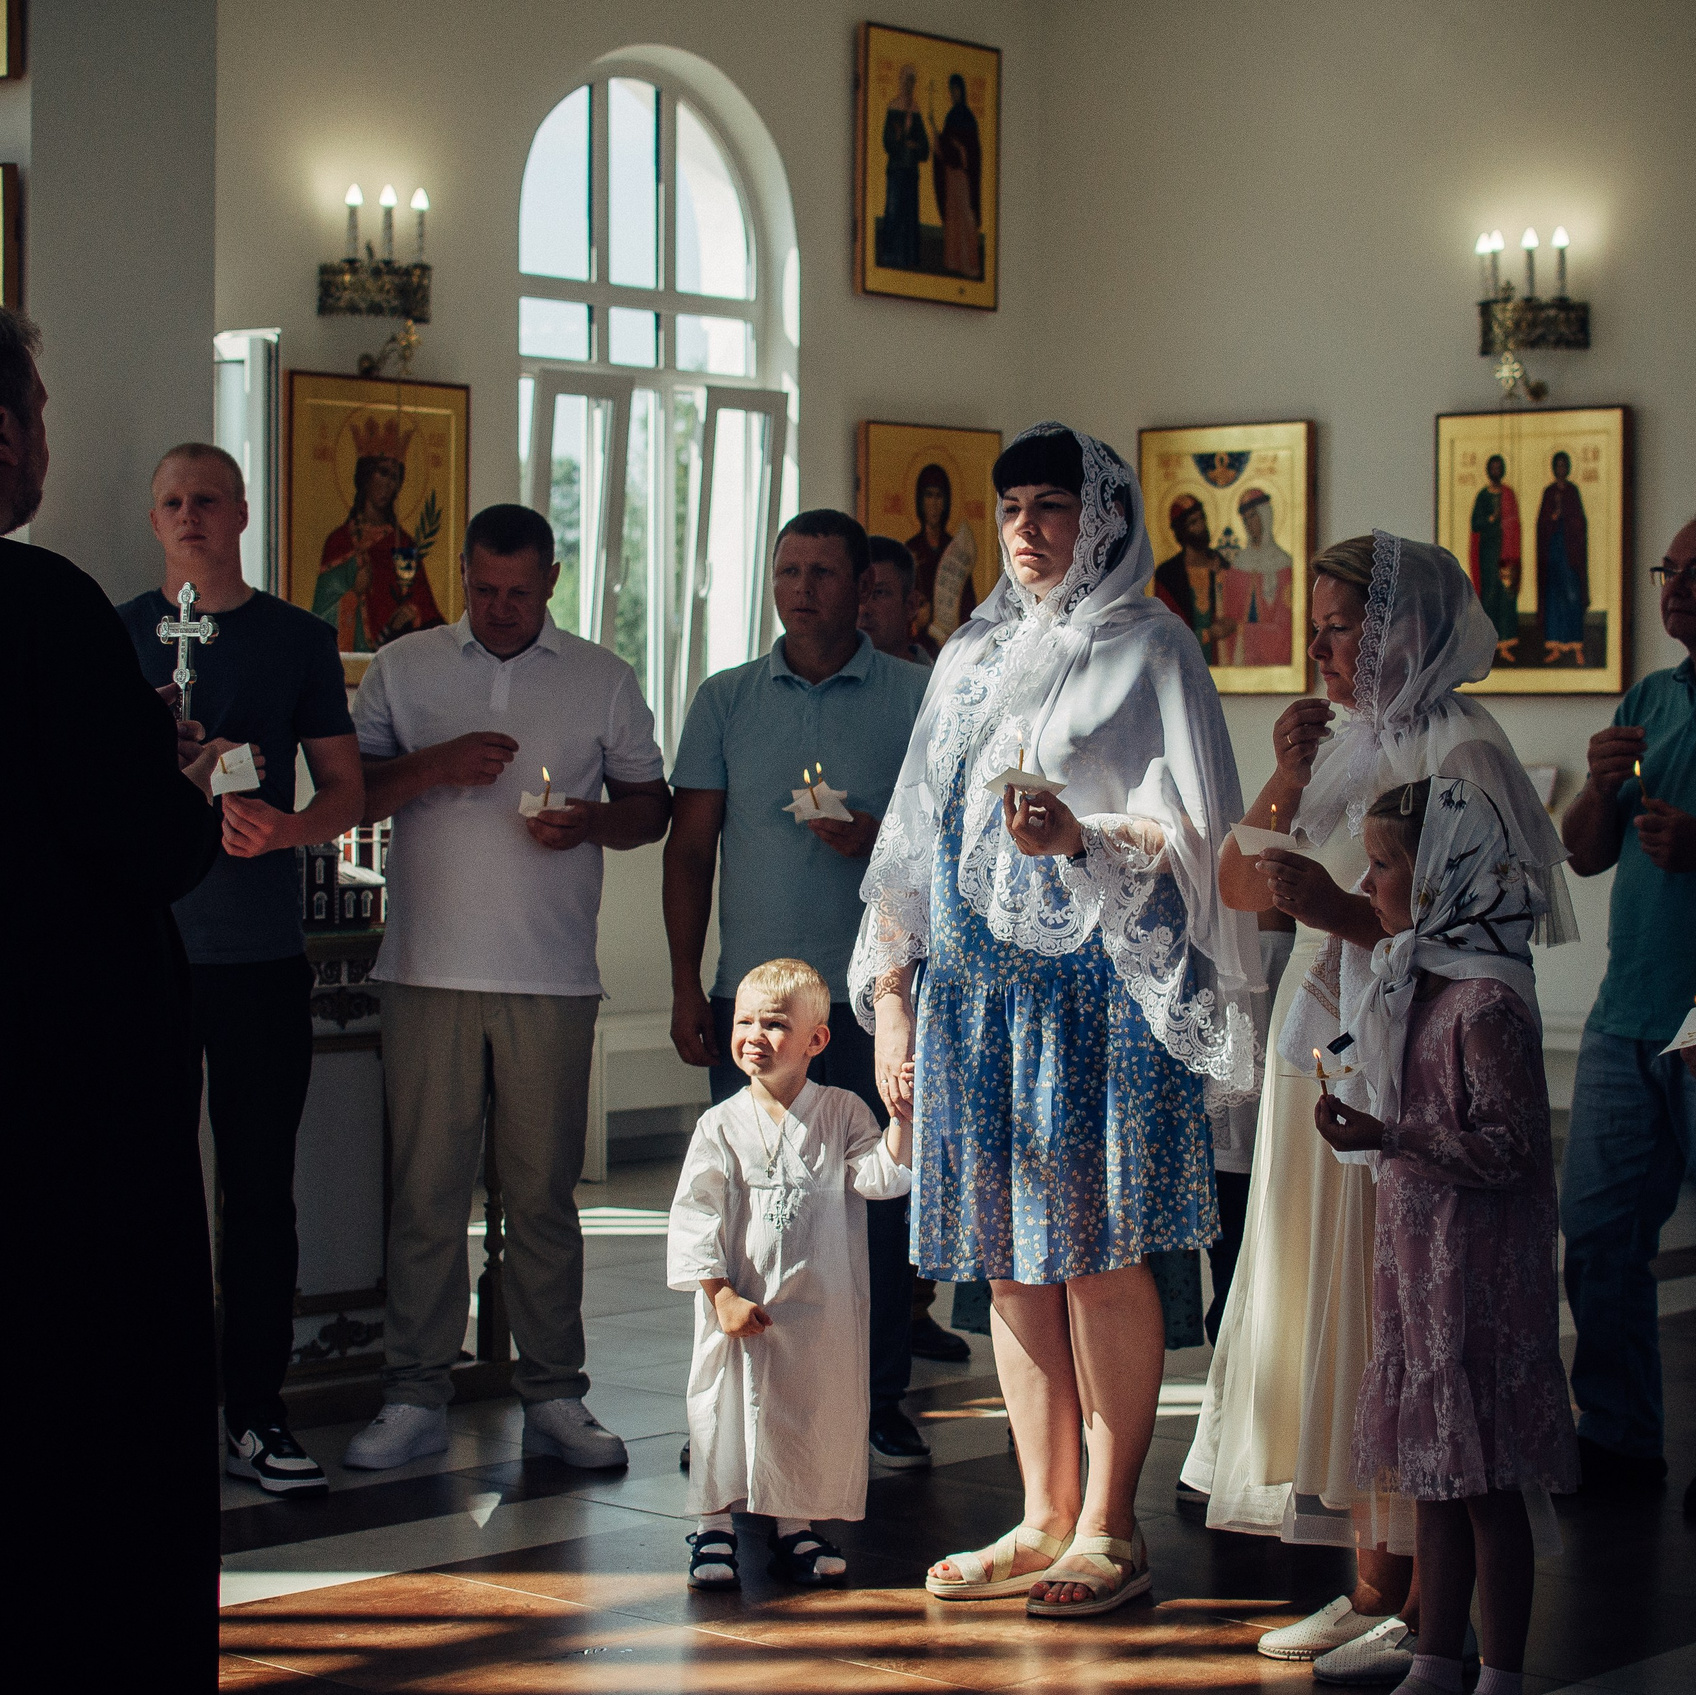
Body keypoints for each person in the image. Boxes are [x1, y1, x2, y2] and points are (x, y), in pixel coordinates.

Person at [858, 422, 1261, 1616]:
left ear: (1104, 519)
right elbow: (911, 843)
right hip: (976, 998)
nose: (1028, 530)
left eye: (1052, 507)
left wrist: (1077, 837)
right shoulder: (970, 654)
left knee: (1092, 1256)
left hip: (1095, 997)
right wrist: (891, 996)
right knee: (1008, 1267)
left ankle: (1109, 1524)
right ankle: (1038, 1516)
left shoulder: (1151, 648)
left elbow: (1199, 840)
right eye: (1013, 507)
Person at [1184, 531, 1575, 1686]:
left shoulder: (1462, 745)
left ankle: (1412, 1595)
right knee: (1350, 1320)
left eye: (1343, 624)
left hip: (1413, 1061)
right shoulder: (1351, 739)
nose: (1321, 645)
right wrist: (1289, 776)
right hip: (1337, 1047)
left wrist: (1349, 921)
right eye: (1317, 623)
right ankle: (1371, 1582)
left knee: (1407, 1320)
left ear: (1403, 630)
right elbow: (1240, 885)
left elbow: (1476, 931)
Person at [342, 503, 671, 1469]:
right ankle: (414, 1394)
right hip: (425, 972)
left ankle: (556, 1394)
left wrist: (589, 823)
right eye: (483, 591)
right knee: (426, 1192)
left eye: (518, 594)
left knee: (540, 1197)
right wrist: (436, 765)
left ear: (552, 581)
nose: (497, 609)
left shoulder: (602, 679)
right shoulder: (405, 667)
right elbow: (347, 794)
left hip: (551, 978)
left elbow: (649, 809)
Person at [7, 307, 225, 1676]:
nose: (44, 438)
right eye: (31, 409)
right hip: (57, 1091)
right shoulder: (42, 605)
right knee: (80, 1414)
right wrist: (174, 777)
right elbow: (147, 843)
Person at [119, 443, 366, 1495]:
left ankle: (257, 1413)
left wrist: (288, 828)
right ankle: (148, 1406)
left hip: (260, 952)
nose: (190, 517)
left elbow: (347, 789)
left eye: (208, 500)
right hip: (143, 950)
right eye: (172, 502)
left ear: (243, 513)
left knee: (260, 1189)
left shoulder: (296, 638)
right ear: (154, 517)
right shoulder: (118, 632)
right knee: (140, 1188)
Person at [666, 508, 933, 1468]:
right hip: (756, 1002)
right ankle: (738, 1404)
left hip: (875, 1001)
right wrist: (685, 984)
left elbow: (956, 843)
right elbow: (689, 848)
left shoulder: (915, 693)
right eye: (788, 571)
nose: (802, 589)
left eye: (823, 572)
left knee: (877, 1201)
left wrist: (878, 842)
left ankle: (876, 1400)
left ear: (861, 586)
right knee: (750, 1202)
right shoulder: (728, 699)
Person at [1316, 777, 1577, 1695]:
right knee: (1435, 1474)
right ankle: (1435, 1653)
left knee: (1488, 1485)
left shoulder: (1485, 1003)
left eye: (1385, 864)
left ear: (1440, 880)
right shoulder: (1420, 982)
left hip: (1480, 1279)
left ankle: (1500, 1668)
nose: (1368, 878)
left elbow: (1510, 1149)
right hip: (1424, 1267)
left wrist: (1390, 1135)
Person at [668, 959, 913, 1591]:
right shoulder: (719, 1125)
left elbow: (879, 1181)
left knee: (805, 1408)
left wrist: (904, 1123)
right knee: (720, 1412)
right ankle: (713, 1526)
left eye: (774, 1024)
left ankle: (795, 1524)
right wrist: (719, 1295)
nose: (753, 1035)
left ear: (817, 1040)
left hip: (818, 1306)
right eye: (743, 1021)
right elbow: (694, 1215)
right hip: (736, 1303)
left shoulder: (842, 1113)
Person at [1558, 518, 1696, 1491]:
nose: (1675, 588)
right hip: (1626, 1013)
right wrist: (1599, 789)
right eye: (1667, 571)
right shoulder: (1650, 695)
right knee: (1599, 1236)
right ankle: (1617, 1439)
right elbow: (1583, 853)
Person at [312, 429, 446, 653]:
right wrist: (353, 594)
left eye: (396, 477)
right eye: (383, 473)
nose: (390, 485)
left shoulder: (403, 545)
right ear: (366, 476)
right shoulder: (340, 541)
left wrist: (413, 611)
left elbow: (424, 605)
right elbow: (317, 618)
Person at [1153, 493, 1237, 663]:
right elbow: (1168, 630)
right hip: (1186, 664)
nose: (1201, 526)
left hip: (1220, 658)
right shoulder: (1168, 574)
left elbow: (1235, 615)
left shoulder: (1221, 565)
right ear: (1182, 531)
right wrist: (1209, 634)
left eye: (1202, 519)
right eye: (1193, 523)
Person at [906, 463, 977, 652]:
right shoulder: (911, 550)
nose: (934, 503)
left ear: (947, 502)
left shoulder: (957, 550)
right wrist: (916, 622)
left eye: (939, 496)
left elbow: (967, 604)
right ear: (920, 501)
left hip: (952, 646)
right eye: (929, 495)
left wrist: (958, 636)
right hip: (918, 649)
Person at [927, 72, 982, 278]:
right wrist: (933, 128)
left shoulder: (968, 118)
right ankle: (953, 261)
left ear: (963, 91)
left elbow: (973, 152)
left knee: (966, 216)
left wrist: (962, 151)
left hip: (964, 178)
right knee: (953, 216)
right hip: (951, 177)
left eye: (956, 90)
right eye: (951, 90)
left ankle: (969, 262)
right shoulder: (950, 116)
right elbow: (944, 145)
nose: (953, 94)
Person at [1231, 486, 1294, 666]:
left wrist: (1249, 632)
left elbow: (1287, 625)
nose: (1249, 524)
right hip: (1242, 656)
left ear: (1265, 515)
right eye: (1245, 519)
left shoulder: (1284, 564)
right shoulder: (1238, 565)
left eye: (1253, 516)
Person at [1536, 451, 1588, 664]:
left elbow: (1581, 523)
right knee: (1554, 598)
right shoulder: (1548, 492)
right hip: (1553, 552)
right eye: (1557, 465)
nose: (1561, 469)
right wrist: (1552, 519)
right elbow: (1541, 524)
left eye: (1564, 465)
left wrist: (1566, 519)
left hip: (1571, 554)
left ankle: (1577, 647)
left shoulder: (1573, 492)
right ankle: (1555, 646)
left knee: (1573, 597)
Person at [1469, 454, 1522, 664]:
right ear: (1488, 470)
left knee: (1506, 595)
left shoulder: (1509, 494)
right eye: (1493, 467)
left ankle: (1506, 644)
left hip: (1506, 554)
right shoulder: (1483, 496)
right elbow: (1476, 523)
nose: (1496, 470)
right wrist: (1490, 519)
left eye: (1500, 467)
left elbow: (1515, 525)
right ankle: (1489, 646)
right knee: (1490, 594)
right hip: (1488, 553)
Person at [878, 64, 928, 271]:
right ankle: (890, 256)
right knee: (893, 211)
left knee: (909, 215)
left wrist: (914, 146)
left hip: (911, 172)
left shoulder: (916, 112)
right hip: (897, 169)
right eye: (907, 80)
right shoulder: (894, 108)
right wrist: (901, 140)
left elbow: (924, 148)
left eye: (913, 81)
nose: (909, 85)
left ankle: (909, 258)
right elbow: (887, 142)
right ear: (901, 81)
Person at [858, 534, 933, 668]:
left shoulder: (939, 685)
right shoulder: (825, 683)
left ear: (911, 605)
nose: (863, 609)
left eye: (879, 593)